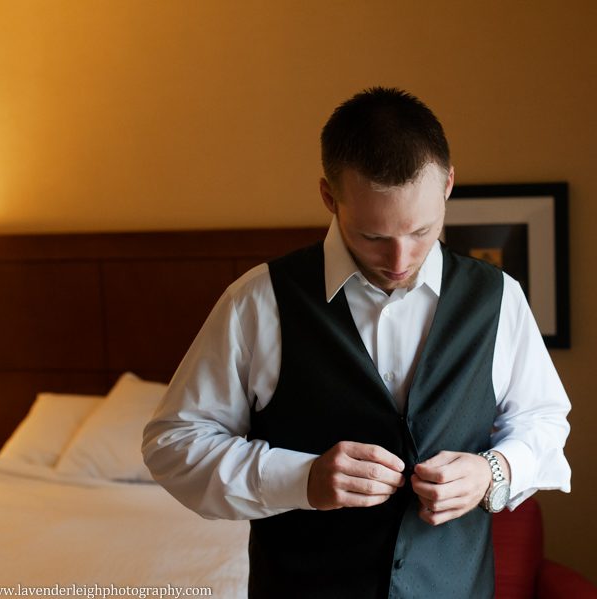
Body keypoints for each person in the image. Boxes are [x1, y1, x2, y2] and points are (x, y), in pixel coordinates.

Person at [142, 87, 571, 599]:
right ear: (329, 197)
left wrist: (493, 472)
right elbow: (174, 444)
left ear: (448, 185)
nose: (399, 259)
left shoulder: (499, 298)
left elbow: (544, 422)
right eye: (374, 237)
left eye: (421, 231)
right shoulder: (259, 301)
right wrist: (301, 479)